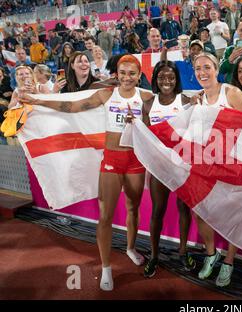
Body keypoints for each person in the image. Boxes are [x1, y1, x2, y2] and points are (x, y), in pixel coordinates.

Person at [19, 55, 154, 291]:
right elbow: (71, 107)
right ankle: (106, 267)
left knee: (134, 208)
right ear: (117, 74)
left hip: (136, 161)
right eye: (123, 73)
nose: (127, 77)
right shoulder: (106, 94)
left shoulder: (146, 97)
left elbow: (160, 123)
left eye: (132, 73)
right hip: (112, 160)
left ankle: (131, 248)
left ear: (139, 75)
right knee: (106, 216)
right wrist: (37, 101)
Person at [191, 52, 242, 287]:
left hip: (233, 163)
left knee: (233, 213)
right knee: (200, 208)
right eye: (197, 69)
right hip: (207, 162)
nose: (202, 72)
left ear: (216, 69)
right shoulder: (198, 98)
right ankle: (211, 253)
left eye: (207, 67)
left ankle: (229, 261)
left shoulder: (231, 93)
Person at [142, 60, 197, 278]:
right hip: (159, 166)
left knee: (184, 209)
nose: (167, 81)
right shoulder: (148, 104)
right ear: (155, 79)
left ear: (177, 80)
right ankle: (154, 255)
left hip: (181, 165)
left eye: (171, 77)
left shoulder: (185, 101)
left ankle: (183, 251)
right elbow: (144, 135)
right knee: (158, 210)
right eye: (162, 77)